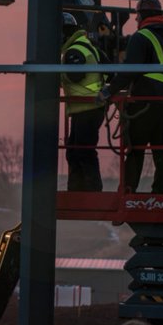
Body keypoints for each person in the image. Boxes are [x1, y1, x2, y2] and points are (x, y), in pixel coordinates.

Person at [106, 0, 163, 194]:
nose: (136, 20)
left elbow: (129, 71)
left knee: (136, 146)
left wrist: (108, 91)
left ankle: (128, 190)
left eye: (136, 16)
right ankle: (160, 190)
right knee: (161, 146)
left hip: (146, 99)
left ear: (141, 15)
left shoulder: (141, 37)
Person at [60, 12, 104, 192]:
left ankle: (90, 191)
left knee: (83, 150)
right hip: (87, 108)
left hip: (87, 108)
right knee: (74, 150)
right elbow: (109, 70)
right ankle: (77, 189)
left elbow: (75, 75)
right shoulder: (87, 46)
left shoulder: (74, 52)